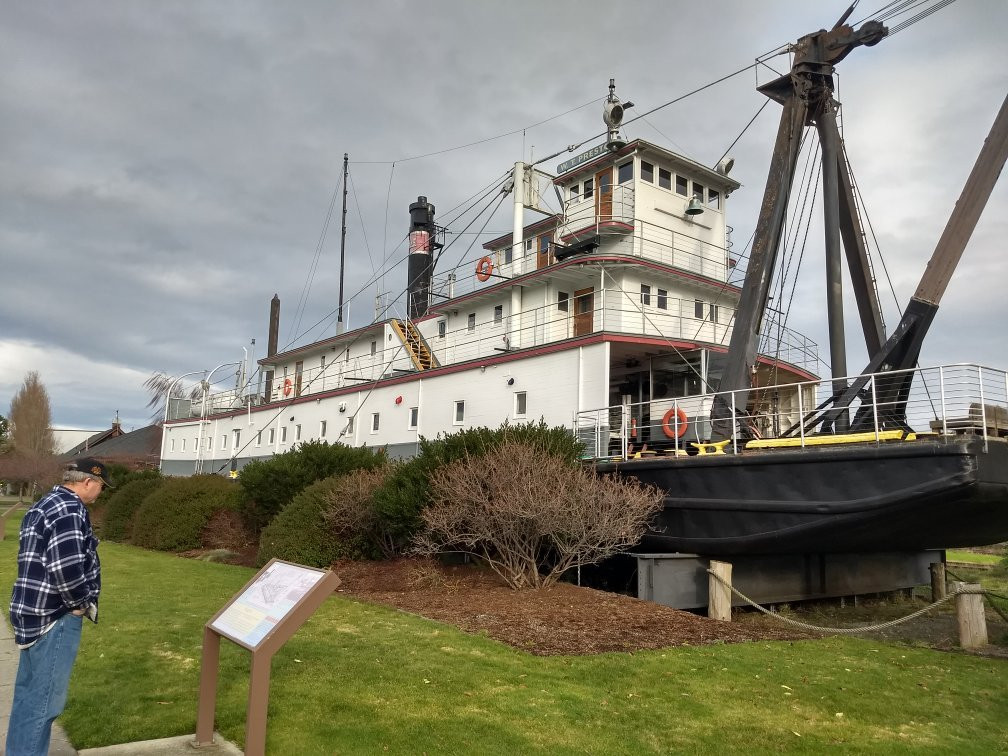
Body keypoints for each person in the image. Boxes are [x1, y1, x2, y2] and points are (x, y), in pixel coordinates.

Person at [5, 457, 110, 756]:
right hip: (54, 616)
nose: (101, 491)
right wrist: (79, 604)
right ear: (88, 482)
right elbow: (66, 568)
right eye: (101, 486)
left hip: (29, 612)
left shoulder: (44, 503)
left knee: (28, 696)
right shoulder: (70, 508)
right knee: (44, 704)